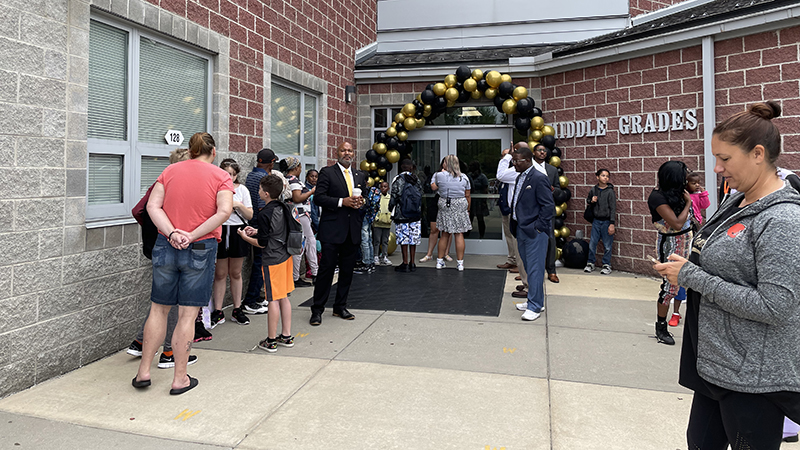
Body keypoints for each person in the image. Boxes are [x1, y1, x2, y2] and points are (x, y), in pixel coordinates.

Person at [655, 101, 800, 449]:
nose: (717, 168)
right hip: (717, 365)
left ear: (758, 154)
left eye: (725, 158)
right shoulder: (738, 201)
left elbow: (775, 306)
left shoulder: (781, 221)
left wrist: (693, 277)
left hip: (753, 377)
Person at [132, 132, 233, 395]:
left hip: (167, 243)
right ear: (212, 152)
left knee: (158, 309)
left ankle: (143, 372)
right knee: (188, 314)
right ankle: (180, 378)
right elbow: (224, 212)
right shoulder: (220, 176)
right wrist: (192, 235)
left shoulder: (170, 171)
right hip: (200, 246)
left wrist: (173, 232)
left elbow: (153, 207)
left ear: (189, 151)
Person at [127, 148, 197, 369]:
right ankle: (168, 351)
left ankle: (140, 342)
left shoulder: (158, 183)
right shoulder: (179, 185)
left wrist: (153, 229)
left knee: (161, 301)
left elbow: (138, 210)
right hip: (177, 246)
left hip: (156, 246)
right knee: (175, 301)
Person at [309, 142, 366, 326]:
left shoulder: (359, 175)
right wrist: (343, 202)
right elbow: (319, 198)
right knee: (326, 271)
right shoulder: (327, 172)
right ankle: (317, 309)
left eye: (350, 150)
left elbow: (362, 199)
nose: (347, 153)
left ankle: (340, 306)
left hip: (352, 230)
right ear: (337, 152)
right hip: (332, 231)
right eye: (343, 150)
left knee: (347, 272)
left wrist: (361, 202)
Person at [238, 175, 296, 353]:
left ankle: (271, 340)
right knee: (284, 297)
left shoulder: (264, 213)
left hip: (272, 260)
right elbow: (275, 231)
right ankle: (286, 335)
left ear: (266, 193)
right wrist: (257, 231)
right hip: (287, 257)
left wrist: (246, 237)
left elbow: (262, 243)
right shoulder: (284, 207)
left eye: (260, 189)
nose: (258, 192)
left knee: (272, 299)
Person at [647, 160, 693, 345]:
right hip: (671, 244)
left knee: (689, 280)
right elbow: (676, 223)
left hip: (686, 240)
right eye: (683, 176)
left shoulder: (676, 193)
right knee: (670, 286)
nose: (686, 179)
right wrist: (689, 203)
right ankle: (661, 327)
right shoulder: (657, 197)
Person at [242, 148, 290, 315]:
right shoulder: (263, 179)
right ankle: (251, 300)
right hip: (261, 225)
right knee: (260, 264)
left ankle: (256, 298)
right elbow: (263, 205)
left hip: (253, 223)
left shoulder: (250, 176)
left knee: (259, 263)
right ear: (271, 163)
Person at [509, 147, 554, 321]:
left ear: (527, 161)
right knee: (529, 268)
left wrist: (538, 227)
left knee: (535, 269)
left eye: (517, 161)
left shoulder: (538, 178)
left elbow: (548, 206)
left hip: (534, 231)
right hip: (520, 228)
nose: (514, 164)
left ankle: (534, 307)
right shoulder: (521, 176)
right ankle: (534, 300)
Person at [210, 159, 253, 328]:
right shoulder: (216, 188)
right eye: (227, 173)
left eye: (233, 174)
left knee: (235, 272)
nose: (230, 177)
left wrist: (237, 204)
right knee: (220, 273)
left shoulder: (242, 189)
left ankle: (237, 309)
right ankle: (218, 311)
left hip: (237, 231)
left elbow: (250, 215)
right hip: (221, 229)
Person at [497, 143, 529, 297]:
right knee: (514, 243)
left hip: (523, 217)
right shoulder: (519, 170)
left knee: (521, 248)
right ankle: (526, 282)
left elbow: (500, 175)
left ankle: (528, 285)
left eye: (515, 157)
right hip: (512, 212)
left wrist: (509, 156)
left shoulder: (519, 171)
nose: (512, 160)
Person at [281, 156, 317, 287]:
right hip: (301, 215)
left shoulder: (287, 179)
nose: (301, 169)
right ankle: (312, 274)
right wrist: (312, 192)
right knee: (306, 244)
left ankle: (297, 276)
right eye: (300, 167)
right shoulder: (294, 180)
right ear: (296, 168)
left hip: (298, 216)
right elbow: (297, 198)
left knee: (301, 245)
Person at [431, 154, 471, 271]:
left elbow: (433, 187)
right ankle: (460, 264)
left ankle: (439, 261)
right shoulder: (464, 177)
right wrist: (467, 209)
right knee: (459, 233)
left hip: (445, 202)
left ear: (445, 164)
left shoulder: (439, 175)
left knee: (444, 233)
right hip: (460, 203)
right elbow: (467, 195)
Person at [532, 144, 561, 283]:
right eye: (540, 150)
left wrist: (553, 190)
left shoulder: (552, 170)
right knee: (531, 241)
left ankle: (551, 271)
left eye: (544, 151)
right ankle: (528, 271)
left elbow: (559, 190)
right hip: (531, 211)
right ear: (534, 152)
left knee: (550, 240)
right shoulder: (528, 167)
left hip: (547, 211)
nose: (543, 152)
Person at [390, 159, 424, 272]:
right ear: (411, 168)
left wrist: (390, 209)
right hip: (415, 214)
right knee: (413, 239)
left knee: (404, 239)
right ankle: (412, 263)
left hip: (402, 214)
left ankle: (405, 263)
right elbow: (421, 193)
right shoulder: (416, 179)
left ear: (401, 167)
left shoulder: (398, 179)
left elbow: (394, 196)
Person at [419, 158, 453, 264]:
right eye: (444, 162)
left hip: (449, 201)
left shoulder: (456, 175)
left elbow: (453, 186)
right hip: (437, 200)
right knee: (434, 229)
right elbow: (433, 187)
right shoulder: (437, 174)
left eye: (448, 162)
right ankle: (429, 254)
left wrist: (446, 178)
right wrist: (442, 178)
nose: (445, 164)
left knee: (447, 230)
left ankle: (445, 253)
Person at [583, 168, 616, 275]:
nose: (605, 178)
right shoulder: (594, 190)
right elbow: (588, 200)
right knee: (592, 243)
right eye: (603, 176)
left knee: (607, 245)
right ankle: (590, 263)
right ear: (597, 177)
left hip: (606, 221)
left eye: (607, 176)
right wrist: (591, 201)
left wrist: (612, 223)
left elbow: (613, 208)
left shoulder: (610, 192)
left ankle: (606, 264)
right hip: (596, 221)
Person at [355, 181, 381, 274]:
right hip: (370, 216)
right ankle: (371, 261)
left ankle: (366, 263)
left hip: (364, 216)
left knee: (364, 239)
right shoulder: (374, 190)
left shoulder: (363, 190)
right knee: (369, 239)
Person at [466, 161, 489, 239]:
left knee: (480, 218)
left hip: (479, 200)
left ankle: (482, 235)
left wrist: (484, 200)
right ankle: (466, 235)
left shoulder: (482, 177)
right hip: (471, 199)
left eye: (471, 166)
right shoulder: (468, 176)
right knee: (469, 218)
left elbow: (485, 189)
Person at [372, 181, 392, 266]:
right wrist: (376, 217)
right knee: (376, 240)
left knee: (385, 241)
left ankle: (384, 256)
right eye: (382, 187)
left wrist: (390, 218)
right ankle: (375, 256)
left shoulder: (390, 198)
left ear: (388, 188)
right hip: (378, 223)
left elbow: (392, 209)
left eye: (385, 187)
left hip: (387, 223)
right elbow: (374, 208)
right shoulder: (377, 197)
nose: (383, 188)